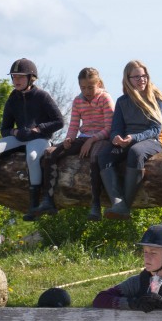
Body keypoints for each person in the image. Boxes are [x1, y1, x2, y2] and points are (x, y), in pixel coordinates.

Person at [0, 58, 65, 220]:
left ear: (31, 78)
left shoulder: (42, 96)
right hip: (20, 137)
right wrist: (15, 132)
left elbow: (59, 121)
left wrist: (38, 129)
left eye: (20, 77)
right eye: (14, 77)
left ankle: (34, 206)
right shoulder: (12, 98)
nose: (16, 80)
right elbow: (4, 129)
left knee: (32, 157)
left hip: (40, 138)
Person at [99, 60, 162, 220]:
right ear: (128, 79)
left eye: (144, 75)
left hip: (152, 141)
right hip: (127, 140)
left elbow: (155, 129)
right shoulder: (122, 101)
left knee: (135, 151)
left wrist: (133, 138)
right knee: (104, 155)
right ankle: (118, 203)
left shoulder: (156, 99)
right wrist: (116, 138)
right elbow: (116, 127)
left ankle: (126, 205)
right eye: (136, 77)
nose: (141, 79)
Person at [47, 67, 114, 220]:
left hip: (102, 138)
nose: (87, 91)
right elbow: (73, 126)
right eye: (83, 88)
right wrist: (69, 139)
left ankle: (95, 204)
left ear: (98, 84)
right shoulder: (78, 101)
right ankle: (47, 199)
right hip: (84, 136)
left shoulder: (105, 98)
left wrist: (92, 140)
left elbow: (110, 128)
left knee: (95, 158)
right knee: (52, 153)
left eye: (90, 87)